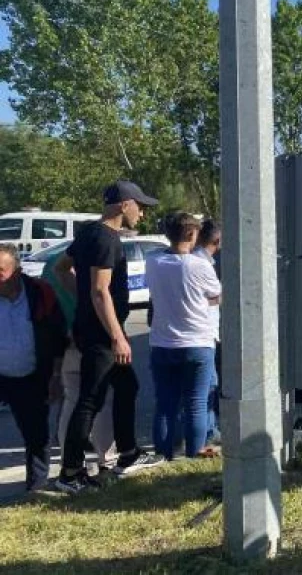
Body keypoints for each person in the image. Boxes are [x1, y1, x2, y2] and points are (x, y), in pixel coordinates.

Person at [54, 180, 164, 494]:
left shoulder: (88, 232)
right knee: (90, 400)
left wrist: (85, 301)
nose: (142, 213)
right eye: (139, 206)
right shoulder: (105, 238)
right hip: (102, 335)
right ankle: (70, 474)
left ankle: (128, 454)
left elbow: (62, 269)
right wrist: (118, 336)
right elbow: (101, 291)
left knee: (128, 386)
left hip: (95, 327)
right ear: (122, 205)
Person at [146, 213, 222, 460]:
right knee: (196, 403)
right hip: (197, 342)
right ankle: (193, 455)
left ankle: (162, 455)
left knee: (165, 404)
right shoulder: (199, 265)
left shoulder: (153, 262)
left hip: (161, 342)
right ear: (192, 234)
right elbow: (216, 295)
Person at [45, 241, 118, 475]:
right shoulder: (89, 260)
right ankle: (107, 458)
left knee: (72, 402)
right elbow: (97, 296)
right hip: (90, 337)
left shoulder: (51, 264)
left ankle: (68, 462)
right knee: (102, 401)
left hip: (64, 340)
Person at [0, 244, 67, 492]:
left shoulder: (40, 293)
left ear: (16, 271)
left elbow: (58, 335)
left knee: (36, 434)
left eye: (0, 271)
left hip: (31, 375)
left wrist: (56, 375)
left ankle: (36, 489)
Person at [192, 219, 222, 448]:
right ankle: (206, 436)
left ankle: (206, 432)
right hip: (203, 336)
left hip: (200, 335)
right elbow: (214, 296)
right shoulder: (202, 264)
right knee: (207, 388)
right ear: (217, 240)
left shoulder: (196, 261)